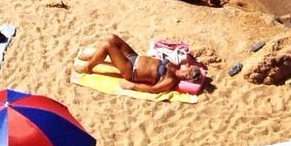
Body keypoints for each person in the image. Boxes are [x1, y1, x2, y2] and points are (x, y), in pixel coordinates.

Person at [74, 35, 203, 93]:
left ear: (186, 76)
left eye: (189, 68)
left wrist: (132, 86)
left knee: (108, 46)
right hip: (135, 57)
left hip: (131, 71)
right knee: (112, 38)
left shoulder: (170, 80)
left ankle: (87, 68)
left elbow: (153, 89)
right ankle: (93, 56)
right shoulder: (175, 66)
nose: (187, 65)